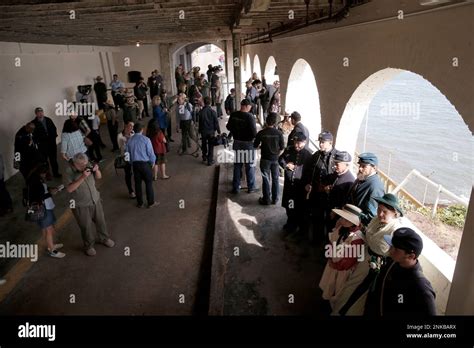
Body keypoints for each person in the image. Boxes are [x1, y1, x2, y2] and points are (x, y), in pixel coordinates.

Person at [333, 193, 406, 316]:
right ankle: (338, 309)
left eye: (385, 211)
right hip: (363, 258)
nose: (380, 214)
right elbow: (367, 232)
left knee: (359, 293)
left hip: (375, 267)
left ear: (395, 213)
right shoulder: (375, 220)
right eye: (379, 209)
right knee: (350, 285)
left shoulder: (395, 230)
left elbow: (398, 253)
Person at [364, 227, 436, 316]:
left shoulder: (421, 287)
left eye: (396, 249)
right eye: (391, 246)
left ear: (411, 256)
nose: (390, 251)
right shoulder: (390, 263)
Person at [65, 153, 115, 256]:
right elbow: (69, 189)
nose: (85, 166)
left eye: (86, 163)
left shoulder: (88, 164)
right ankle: (89, 246)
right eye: (82, 165)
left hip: (95, 200)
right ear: (75, 164)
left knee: (101, 221)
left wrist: (96, 170)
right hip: (80, 205)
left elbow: (99, 177)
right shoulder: (68, 171)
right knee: (86, 226)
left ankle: (104, 238)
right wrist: (82, 177)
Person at [319, 204, 364, 310]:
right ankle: (327, 299)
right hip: (333, 262)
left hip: (342, 270)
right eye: (342, 217)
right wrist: (329, 257)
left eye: (346, 219)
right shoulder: (341, 227)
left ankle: (333, 306)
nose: (342, 220)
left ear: (353, 222)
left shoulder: (357, 239)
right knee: (329, 282)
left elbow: (349, 262)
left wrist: (335, 265)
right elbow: (332, 240)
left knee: (338, 287)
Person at [303, 131, 338, 244]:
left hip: (330, 196)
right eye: (320, 142)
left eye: (323, 142)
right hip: (317, 194)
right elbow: (308, 171)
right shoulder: (316, 155)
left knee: (330, 221)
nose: (320, 144)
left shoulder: (337, 157)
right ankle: (316, 240)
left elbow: (340, 176)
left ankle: (328, 243)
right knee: (316, 217)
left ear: (330, 143)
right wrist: (308, 183)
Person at [27, 164, 65, 258]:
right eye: (45, 174)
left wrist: (50, 189)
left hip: (46, 207)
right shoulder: (35, 182)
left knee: (47, 228)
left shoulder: (35, 179)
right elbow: (39, 197)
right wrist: (51, 193)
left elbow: (43, 190)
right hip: (43, 208)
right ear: (42, 173)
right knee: (48, 229)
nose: (45, 176)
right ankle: (52, 250)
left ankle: (50, 244)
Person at [278, 132, 312, 237]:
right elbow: (281, 159)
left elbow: (311, 172)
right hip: (289, 186)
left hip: (300, 187)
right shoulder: (289, 150)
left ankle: (297, 227)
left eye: (299, 143)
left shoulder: (309, 155)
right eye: (295, 143)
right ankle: (290, 223)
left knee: (299, 208)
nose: (297, 145)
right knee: (289, 206)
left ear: (305, 142)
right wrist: (286, 165)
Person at [226, 99, 258, 194]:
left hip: (237, 142)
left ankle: (236, 187)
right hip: (248, 144)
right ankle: (251, 187)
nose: (250, 108)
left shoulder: (234, 114)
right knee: (249, 166)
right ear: (247, 106)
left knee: (237, 165)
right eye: (250, 107)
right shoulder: (250, 116)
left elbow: (228, 127)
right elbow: (254, 132)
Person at [125, 123, 158, 208]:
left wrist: (131, 163)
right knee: (148, 184)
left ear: (134, 130)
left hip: (135, 165)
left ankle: (140, 203)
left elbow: (127, 155)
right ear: (142, 130)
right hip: (145, 164)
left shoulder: (129, 141)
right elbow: (151, 153)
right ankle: (151, 202)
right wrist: (153, 163)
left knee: (137, 184)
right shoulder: (146, 139)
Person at [346, 152, 385, 226]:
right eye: (360, 165)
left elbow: (372, 214)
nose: (360, 168)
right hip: (348, 218)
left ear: (374, 168)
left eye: (364, 166)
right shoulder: (362, 177)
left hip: (356, 225)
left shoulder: (375, 186)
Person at [254, 112, 284, 205]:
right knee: (275, 179)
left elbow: (255, 145)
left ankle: (266, 199)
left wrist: (260, 147)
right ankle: (275, 199)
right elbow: (282, 147)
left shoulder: (261, 133)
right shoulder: (279, 133)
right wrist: (277, 155)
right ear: (275, 123)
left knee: (266, 179)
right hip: (275, 159)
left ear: (266, 122)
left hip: (265, 159)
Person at [326, 151, 356, 231]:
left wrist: (336, 211)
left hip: (337, 215)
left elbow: (347, 202)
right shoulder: (336, 174)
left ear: (346, 165)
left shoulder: (350, 181)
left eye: (337, 164)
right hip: (329, 209)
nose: (334, 167)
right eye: (334, 163)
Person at [31, 107, 61, 178]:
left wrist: (53, 137)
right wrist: (38, 143)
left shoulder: (48, 120)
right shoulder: (33, 123)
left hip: (51, 143)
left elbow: (54, 128)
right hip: (42, 146)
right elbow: (33, 135)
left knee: (53, 159)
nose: (40, 114)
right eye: (39, 113)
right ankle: (48, 175)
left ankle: (56, 173)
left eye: (42, 112)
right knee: (45, 161)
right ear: (36, 114)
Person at [199, 96, 221, 166]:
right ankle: (210, 160)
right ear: (210, 102)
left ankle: (204, 157)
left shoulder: (201, 112)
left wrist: (199, 130)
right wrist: (219, 131)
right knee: (211, 145)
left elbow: (200, 122)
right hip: (211, 131)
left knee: (204, 144)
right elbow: (216, 122)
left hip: (203, 131)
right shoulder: (213, 112)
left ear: (204, 103)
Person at [117, 121, 135, 198]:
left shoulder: (133, 133)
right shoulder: (120, 135)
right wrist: (127, 140)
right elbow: (120, 147)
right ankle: (131, 191)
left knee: (135, 172)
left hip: (134, 156)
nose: (131, 128)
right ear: (125, 126)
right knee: (128, 174)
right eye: (130, 126)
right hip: (126, 157)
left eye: (132, 126)